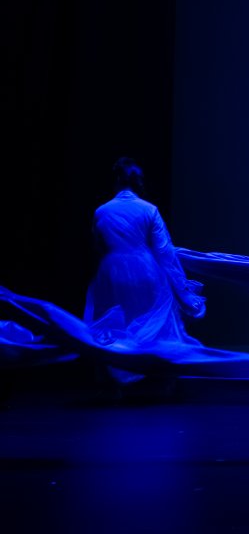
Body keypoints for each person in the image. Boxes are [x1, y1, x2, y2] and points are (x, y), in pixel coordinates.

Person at [84, 157, 207, 392]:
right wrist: (182, 290)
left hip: (111, 271)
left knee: (114, 324)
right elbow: (165, 253)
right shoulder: (149, 210)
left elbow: (97, 246)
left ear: (116, 180)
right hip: (145, 269)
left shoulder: (101, 211)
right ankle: (154, 383)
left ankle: (119, 380)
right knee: (152, 322)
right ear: (138, 182)